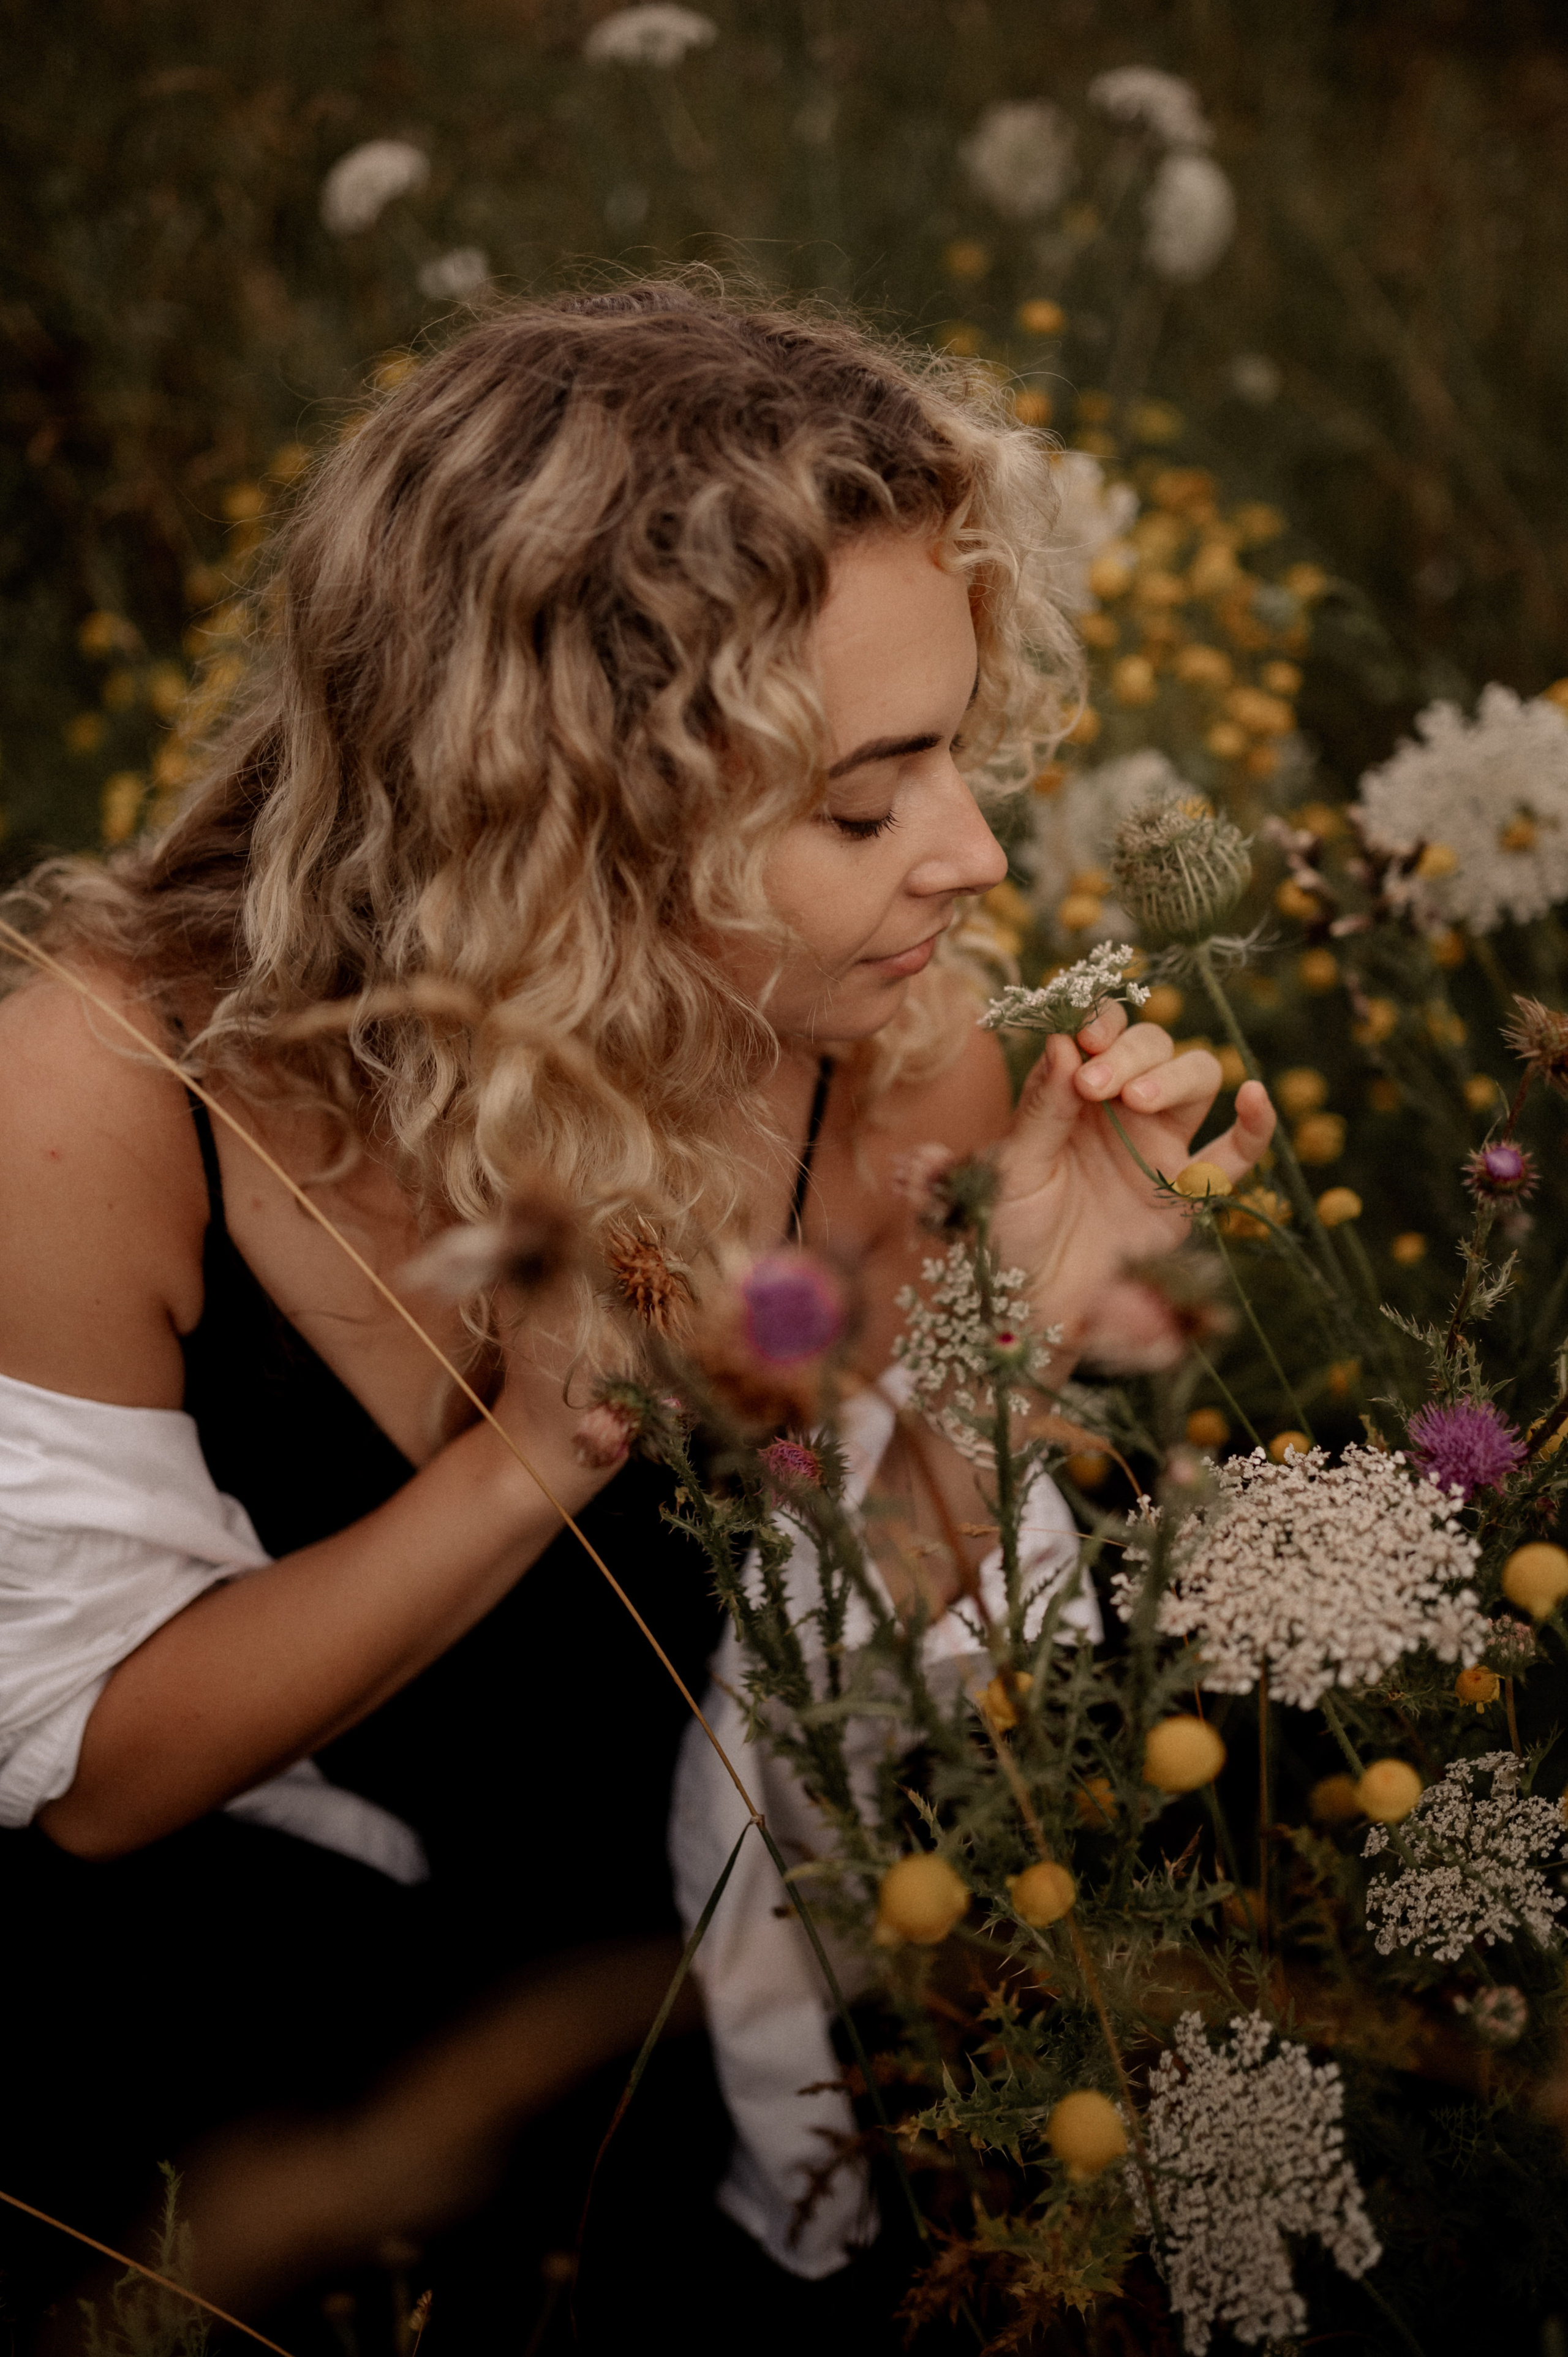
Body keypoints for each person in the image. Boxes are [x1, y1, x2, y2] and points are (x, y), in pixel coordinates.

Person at [0, 281, 1274, 2351]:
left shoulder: (894, 1060)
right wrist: (532, 1452)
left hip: (677, 1947)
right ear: (552, 810)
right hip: (245, 2051)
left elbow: (813, 1705)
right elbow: (106, 1784)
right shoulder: (107, 1092)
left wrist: (1004, 1357)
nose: (968, 853)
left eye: (955, 751)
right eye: (863, 804)